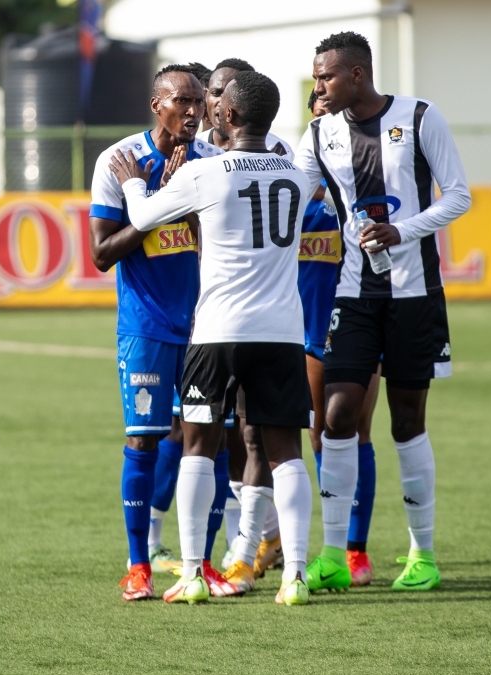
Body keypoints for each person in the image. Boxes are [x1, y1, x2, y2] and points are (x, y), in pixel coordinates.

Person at [112, 70, 315, 606]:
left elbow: (143, 215)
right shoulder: (298, 176)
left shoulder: (207, 172)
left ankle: (195, 574)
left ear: (226, 116)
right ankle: (295, 576)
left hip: (219, 330)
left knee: (198, 448)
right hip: (282, 331)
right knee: (286, 454)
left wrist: (135, 180)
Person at [295, 31, 470, 593]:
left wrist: (402, 231)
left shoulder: (420, 117)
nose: (317, 86)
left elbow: (458, 196)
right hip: (354, 294)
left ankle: (422, 554)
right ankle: (332, 554)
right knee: (337, 417)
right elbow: (294, 198)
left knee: (406, 422)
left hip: (415, 295)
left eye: (325, 76)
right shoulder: (319, 132)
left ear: (356, 75)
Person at [88, 64, 225, 601]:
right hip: (146, 323)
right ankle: (138, 563)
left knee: (211, 440)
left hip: (211, 322)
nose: (194, 112)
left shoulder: (215, 163)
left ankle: (204, 563)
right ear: (156, 104)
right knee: (143, 439)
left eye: (200, 102)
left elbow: (224, 241)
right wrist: (149, 203)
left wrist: (177, 204)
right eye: (183, 101)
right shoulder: (119, 162)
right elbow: (101, 254)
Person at [298, 89, 382, 587]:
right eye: (320, 112)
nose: (327, 119)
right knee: (317, 434)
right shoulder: (290, 191)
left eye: (335, 112)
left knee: (357, 432)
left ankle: (356, 551)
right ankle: (327, 547)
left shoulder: (366, 189)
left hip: (361, 322)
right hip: (307, 331)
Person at [199, 59, 293, 158]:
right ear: (205, 96)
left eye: (231, 94)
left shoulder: (277, 149)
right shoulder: (193, 147)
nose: (222, 102)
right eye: (216, 93)